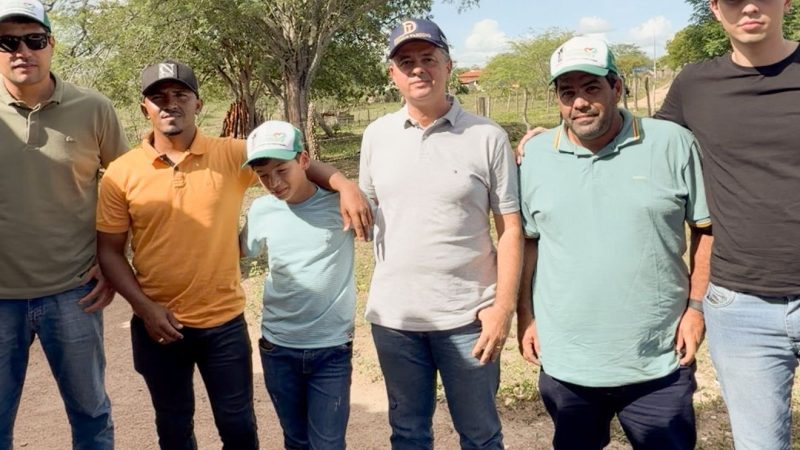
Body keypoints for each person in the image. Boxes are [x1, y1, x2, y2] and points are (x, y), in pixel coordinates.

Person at [96, 60, 370, 450]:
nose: (170, 103)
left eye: (180, 95)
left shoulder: (230, 154)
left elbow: (291, 159)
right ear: (145, 108)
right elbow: (109, 251)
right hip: (157, 323)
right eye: (158, 97)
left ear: (198, 103)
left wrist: (344, 185)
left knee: (238, 425)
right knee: (173, 425)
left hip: (223, 323)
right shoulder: (121, 173)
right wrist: (144, 308)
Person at [516, 36, 713, 450]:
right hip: (567, 361)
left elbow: (705, 229)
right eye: (567, 92)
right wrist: (525, 314)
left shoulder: (672, 143)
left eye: (591, 88)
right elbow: (527, 243)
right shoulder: (535, 157)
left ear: (617, 88)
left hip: (659, 358)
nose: (579, 103)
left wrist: (696, 309)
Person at [359, 18, 523, 449]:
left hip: (468, 318)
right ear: (392, 74)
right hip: (395, 320)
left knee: (480, 435)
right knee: (408, 434)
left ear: (448, 65)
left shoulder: (487, 136)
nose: (418, 69)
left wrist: (502, 309)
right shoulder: (376, 136)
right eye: (406, 62)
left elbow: (510, 229)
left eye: (428, 59)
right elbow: (364, 206)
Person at [654, 1, 800, 448]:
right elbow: (645, 146)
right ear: (716, 9)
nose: (749, 6)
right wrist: (556, 137)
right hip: (741, 307)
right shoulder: (695, 84)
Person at [0, 0, 129, 448]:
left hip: (74, 293)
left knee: (91, 414)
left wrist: (114, 259)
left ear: (51, 44)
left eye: (34, 39)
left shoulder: (93, 108)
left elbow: (127, 186)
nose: (22, 51)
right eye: (7, 42)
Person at [239, 120, 357, 450]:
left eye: (282, 170)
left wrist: (347, 186)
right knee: (295, 440)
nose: (274, 183)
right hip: (278, 347)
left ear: (303, 160)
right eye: (264, 176)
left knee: (328, 444)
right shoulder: (262, 210)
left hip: (331, 348)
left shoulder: (339, 204)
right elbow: (241, 252)